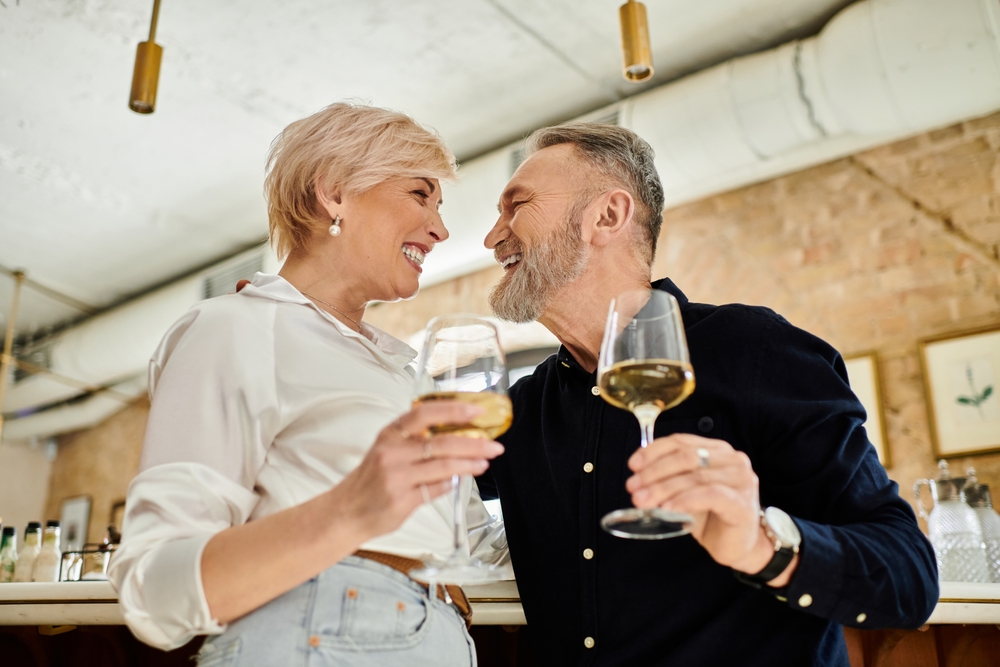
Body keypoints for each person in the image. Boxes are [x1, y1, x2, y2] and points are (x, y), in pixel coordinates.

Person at [477, 123, 939, 666]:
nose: (492, 237)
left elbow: (908, 576)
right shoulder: (522, 411)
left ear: (607, 216)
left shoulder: (757, 351)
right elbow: (423, 502)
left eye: (517, 205)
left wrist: (762, 545)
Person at [109, 102, 509, 666]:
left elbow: (478, 547)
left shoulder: (399, 371)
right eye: (421, 195)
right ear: (335, 193)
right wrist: (351, 511)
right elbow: (153, 591)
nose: (441, 229)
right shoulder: (235, 327)